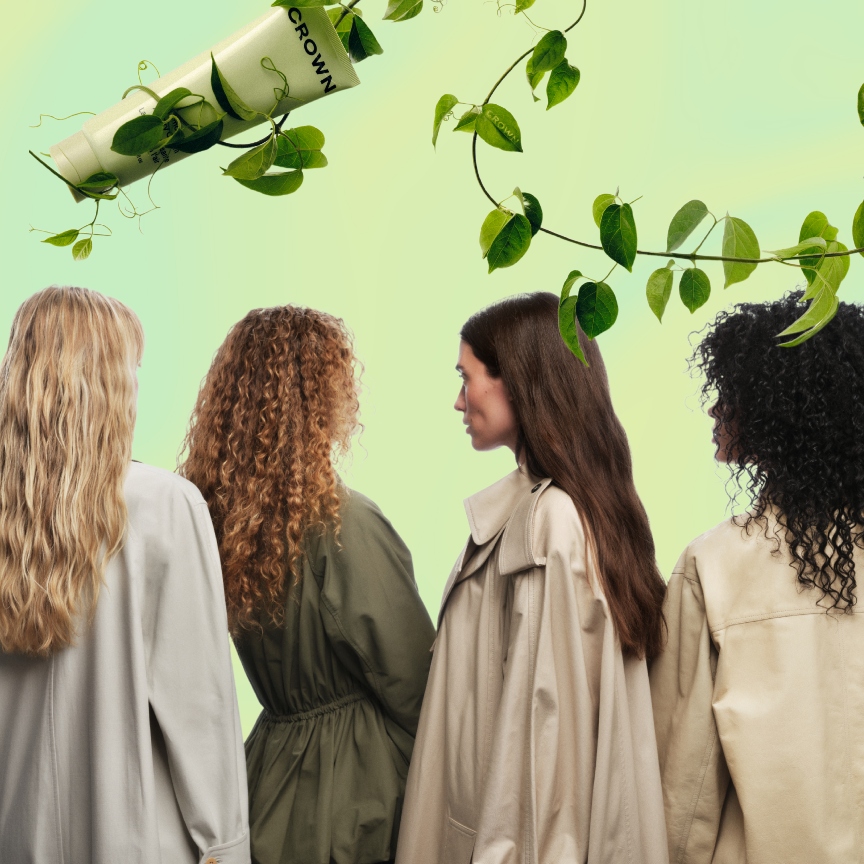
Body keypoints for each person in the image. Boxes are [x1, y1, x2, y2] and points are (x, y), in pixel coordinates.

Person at [395, 292, 669, 864]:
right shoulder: (557, 514)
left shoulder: (551, 525)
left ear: (517, 381)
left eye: (467, 378)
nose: (457, 400)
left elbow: (547, 757)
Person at [0, 286, 250, 864]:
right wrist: (226, 846)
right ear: (108, 383)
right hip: (136, 837)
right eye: (133, 369)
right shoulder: (165, 505)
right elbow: (199, 707)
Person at [179, 305, 436, 864]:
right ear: (320, 395)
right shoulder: (347, 524)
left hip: (266, 783)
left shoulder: (226, 529)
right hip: (357, 799)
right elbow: (420, 690)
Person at [650, 292, 864, 864]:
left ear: (780, 409)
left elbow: (683, 788)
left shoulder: (714, 566)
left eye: (732, 392)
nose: (716, 409)